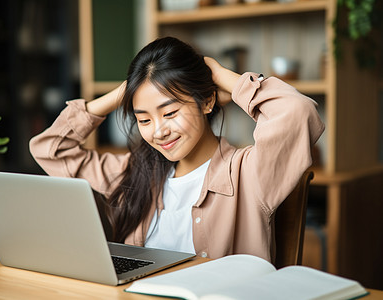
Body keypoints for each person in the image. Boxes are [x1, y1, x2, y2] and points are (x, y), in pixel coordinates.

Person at [29, 36, 324, 262]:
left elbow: (298, 112)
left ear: (207, 101)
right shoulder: (134, 172)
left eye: (170, 113)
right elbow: (50, 149)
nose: (159, 131)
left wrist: (224, 78)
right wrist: (126, 92)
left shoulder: (248, 172)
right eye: (143, 118)